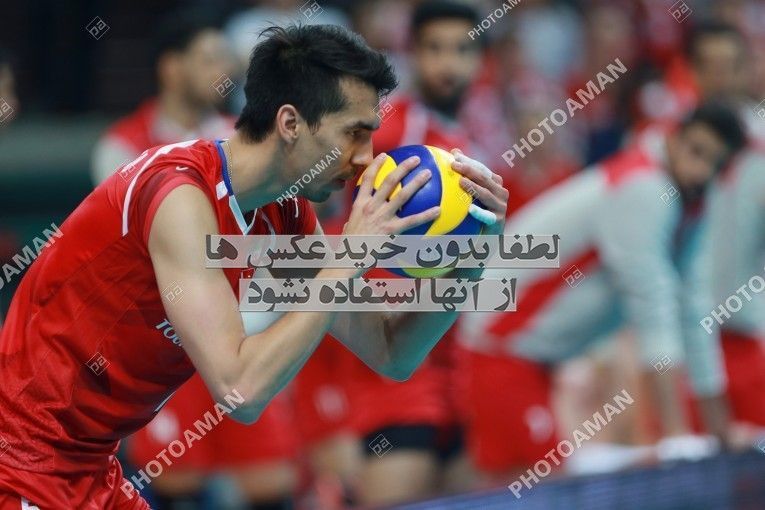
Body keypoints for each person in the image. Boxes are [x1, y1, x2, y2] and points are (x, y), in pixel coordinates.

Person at [0, 24, 507, 509]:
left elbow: (392, 352)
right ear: (290, 123)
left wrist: (470, 260)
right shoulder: (178, 196)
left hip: (90, 466)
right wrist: (351, 254)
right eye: (354, 133)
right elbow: (240, 390)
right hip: (21, 460)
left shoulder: (283, 212)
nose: (366, 159)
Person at [456, 102, 746, 482]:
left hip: (535, 354)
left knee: (520, 484)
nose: (700, 171)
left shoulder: (691, 201)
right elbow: (653, 309)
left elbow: (694, 310)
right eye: (696, 152)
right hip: (500, 341)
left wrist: (720, 434)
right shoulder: (642, 190)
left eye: (714, 164)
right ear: (673, 140)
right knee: (536, 488)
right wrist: (677, 438)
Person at [344, 2, 486, 505]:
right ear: (412, 54)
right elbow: (340, 230)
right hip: (398, 361)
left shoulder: (465, 137)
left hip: (454, 362)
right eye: (434, 49)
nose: (449, 64)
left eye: (462, 50)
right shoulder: (394, 133)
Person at [91, 11, 236, 185]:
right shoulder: (122, 145)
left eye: (225, 60)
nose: (224, 71)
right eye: (209, 61)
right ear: (171, 68)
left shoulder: (237, 134)